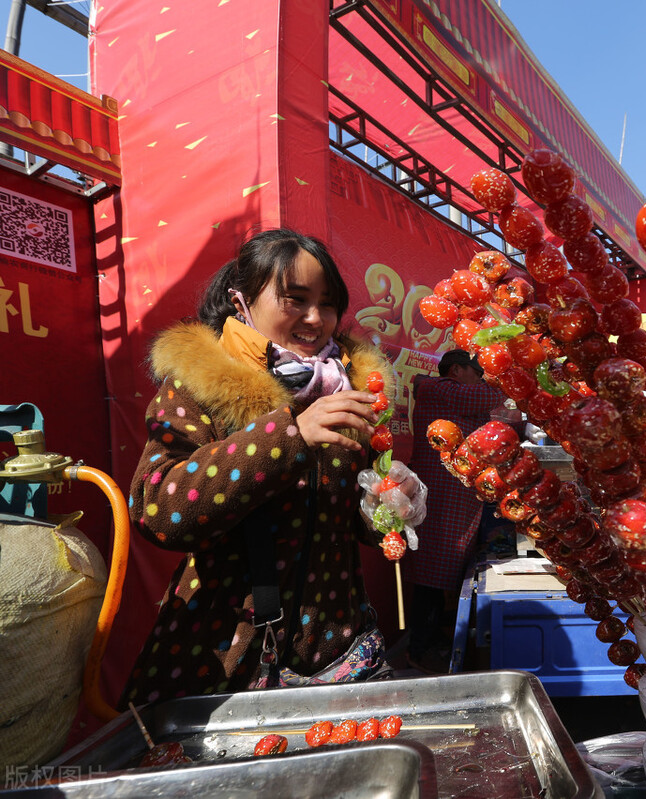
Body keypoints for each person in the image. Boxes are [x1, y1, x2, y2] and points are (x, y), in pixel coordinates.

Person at [122, 229, 407, 704]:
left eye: (328, 303)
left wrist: (391, 504)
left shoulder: (352, 387)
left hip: (342, 651)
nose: (315, 319)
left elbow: (363, 528)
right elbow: (158, 510)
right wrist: (288, 434)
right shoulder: (198, 384)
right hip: (229, 656)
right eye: (295, 300)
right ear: (242, 301)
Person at [405, 349, 504, 672]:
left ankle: (438, 640)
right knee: (432, 577)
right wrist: (504, 374)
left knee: (446, 574)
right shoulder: (439, 389)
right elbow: (487, 395)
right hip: (440, 497)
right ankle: (419, 648)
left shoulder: (455, 394)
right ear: (458, 371)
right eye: (476, 371)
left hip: (458, 497)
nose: (480, 377)